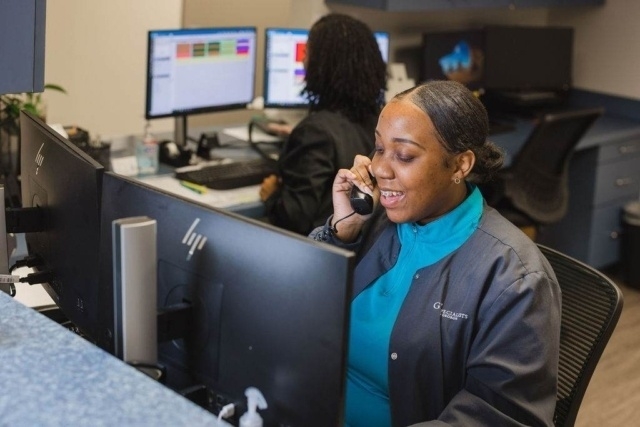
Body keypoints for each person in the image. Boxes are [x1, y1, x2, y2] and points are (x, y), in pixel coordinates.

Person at [310, 80, 561, 426]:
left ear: (460, 165)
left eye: (405, 155)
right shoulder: (371, 221)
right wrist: (341, 233)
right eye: (379, 148)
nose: (380, 169)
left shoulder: (514, 277)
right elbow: (298, 310)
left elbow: (501, 416)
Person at [259, 13, 387, 235]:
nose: (302, 60)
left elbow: (293, 219)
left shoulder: (314, 132)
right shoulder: (383, 121)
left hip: (322, 250)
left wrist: (271, 197)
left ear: (322, 65)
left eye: (307, 53)